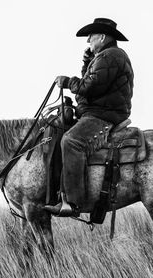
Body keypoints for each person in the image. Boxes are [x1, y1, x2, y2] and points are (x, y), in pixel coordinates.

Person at [44, 18, 134, 217]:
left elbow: (88, 88)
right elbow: (90, 83)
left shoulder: (111, 56)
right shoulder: (106, 56)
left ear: (101, 37)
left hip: (103, 114)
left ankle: (73, 203)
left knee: (71, 141)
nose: (88, 42)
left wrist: (68, 81)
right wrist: (86, 63)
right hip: (99, 111)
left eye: (91, 37)